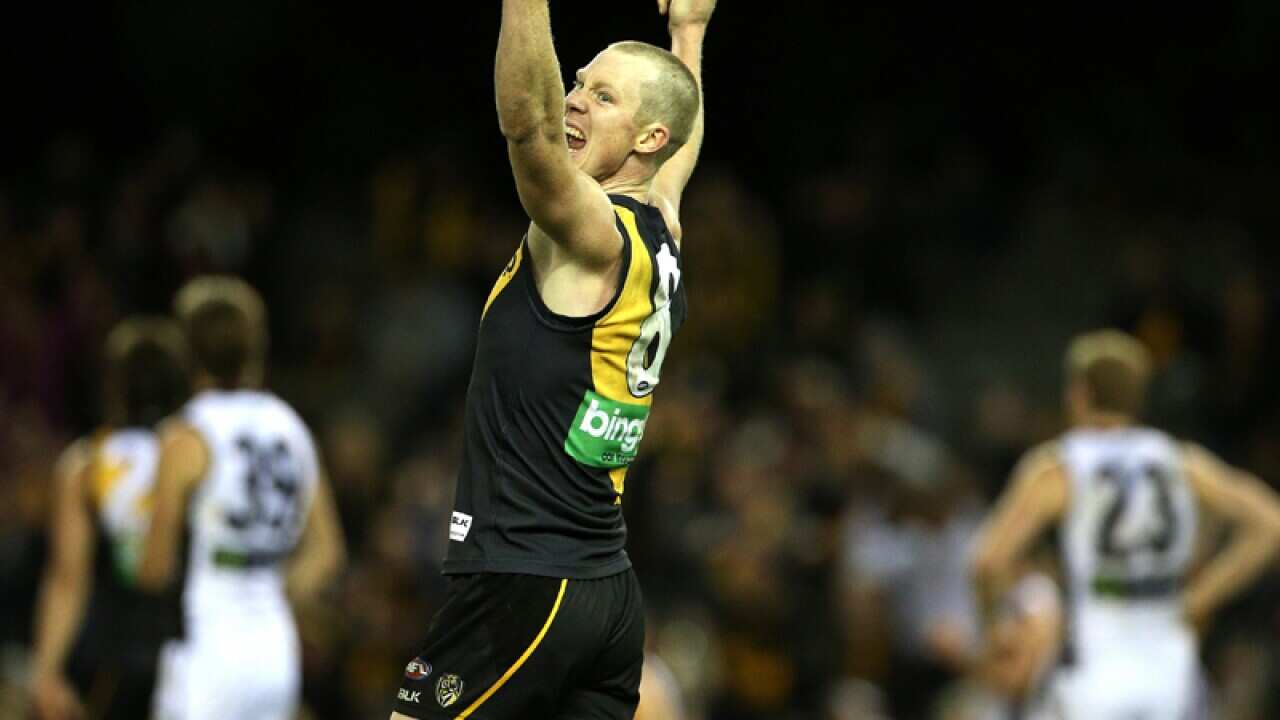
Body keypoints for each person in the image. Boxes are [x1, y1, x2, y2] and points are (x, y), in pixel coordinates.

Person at [391, 0, 715, 717]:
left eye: (603, 97)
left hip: (524, 581)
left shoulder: (590, 235)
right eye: (577, 82)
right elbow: (678, 149)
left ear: (646, 136)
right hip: (605, 594)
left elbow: (528, 126)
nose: (575, 99)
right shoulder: (661, 225)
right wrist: (688, 30)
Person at [971, 329, 1280, 719]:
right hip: (1171, 669)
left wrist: (994, 628)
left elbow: (987, 561)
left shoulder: (1061, 467)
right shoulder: (1183, 463)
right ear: (1137, 398)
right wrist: (1197, 598)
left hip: (1095, 663)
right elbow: (1271, 524)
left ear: (1079, 394)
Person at [137, 276, 345, 720]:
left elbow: (154, 570)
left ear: (186, 353)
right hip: (273, 648)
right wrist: (268, 590)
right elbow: (327, 551)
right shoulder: (290, 428)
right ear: (256, 347)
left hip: (207, 645)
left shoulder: (186, 437)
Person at [30, 318, 190, 720]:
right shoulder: (200, 461)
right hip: (194, 656)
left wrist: (46, 670)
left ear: (113, 386)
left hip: (113, 662)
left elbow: (68, 578)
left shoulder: (86, 466)